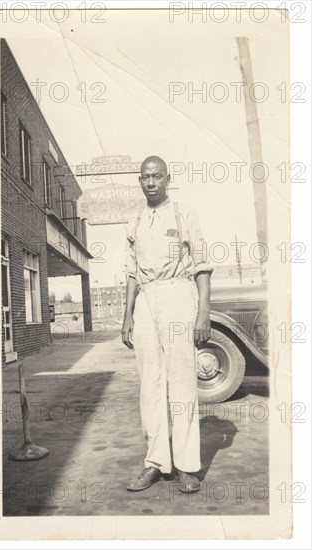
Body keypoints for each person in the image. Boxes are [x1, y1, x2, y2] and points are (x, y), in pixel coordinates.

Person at [121, 155, 213, 493]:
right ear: (140, 181)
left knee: (182, 382)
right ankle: (156, 463)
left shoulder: (184, 213)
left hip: (178, 294)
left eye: (156, 176)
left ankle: (187, 466)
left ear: (167, 179)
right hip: (146, 300)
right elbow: (131, 272)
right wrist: (128, 313)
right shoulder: (135, 221)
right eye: (145, 177)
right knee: (150, 385)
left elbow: (202, 266)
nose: (150, 182)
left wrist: (203, 312)